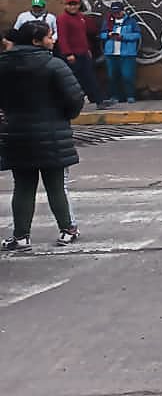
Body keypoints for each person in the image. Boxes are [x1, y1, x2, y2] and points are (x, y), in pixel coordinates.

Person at [0, 21, 84, 251]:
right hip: (52, 132)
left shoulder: (4, 64)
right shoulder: (53, 64)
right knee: (55, 185)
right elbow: (75, 98)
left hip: (17, 133)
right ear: (37, 41)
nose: (53, 40)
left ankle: (21, 237)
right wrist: (64, 116)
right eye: (49, 36)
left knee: (23, 185)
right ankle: (67, 230)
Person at [56, 0, 108, 111]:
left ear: (79, 5)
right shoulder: (62, 19)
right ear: (66, 6)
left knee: (90, 77)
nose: (72, 7)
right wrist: (68, 53)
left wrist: (87, 49)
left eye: (75, 4)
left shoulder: (80, 17)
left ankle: (99, 100)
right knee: (75, 80)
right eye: (70, 4)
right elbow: (62, 38)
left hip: (83, 52)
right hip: (72, 54)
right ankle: (71, 103)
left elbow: (85, 34)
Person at [100, 2, 142, 104]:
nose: (116, 14)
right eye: (114, 12)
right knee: (112, 76)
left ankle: (130, 95)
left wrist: (123, 37)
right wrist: (109, 35)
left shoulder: (131, 21)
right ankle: (115, 96)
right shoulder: (108, 21)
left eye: (118, 12)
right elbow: (101, 35)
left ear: (123, 11)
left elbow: (137, 35)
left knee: (127, 76)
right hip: (111, 53)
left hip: (127, 53)